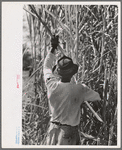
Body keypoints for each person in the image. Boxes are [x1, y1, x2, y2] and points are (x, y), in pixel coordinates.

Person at [43, 35, 101, 145]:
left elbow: (46, 67)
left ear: (58, 73)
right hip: (68, 133)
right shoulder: (80, 89)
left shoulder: (51, 84)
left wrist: (53, 47)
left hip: (53, 130)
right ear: (73, 72)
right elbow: (97, 96)